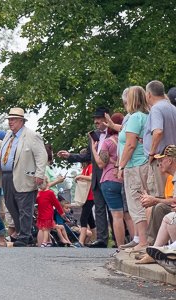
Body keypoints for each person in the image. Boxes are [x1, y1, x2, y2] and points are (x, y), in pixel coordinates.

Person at [59, 107, 113, 248]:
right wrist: (70, 156)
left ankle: (121, 239)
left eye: (99, 119)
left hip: (110, 176)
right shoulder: (93, 135)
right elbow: (87, 156)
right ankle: (102, 239)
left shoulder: (114, 133)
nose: (96, 122)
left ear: (107, 118)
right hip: (96, 178)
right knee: (100, 209)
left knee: (114, 210)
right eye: (95, 119)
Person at [0, 107, 48, 247]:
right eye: (9, 119)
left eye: (13, 120)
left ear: (21, 121)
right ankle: (25, 233)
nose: (10, 122)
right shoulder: (8, 135)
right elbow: (2, 147)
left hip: (24, 176)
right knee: (11, 205)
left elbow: (41, 155)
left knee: (24, 207)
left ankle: (24, 235)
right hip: (7, 176)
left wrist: (40, 174)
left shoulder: (31, 135)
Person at [117, 86, 153, 253]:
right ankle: (144, 239)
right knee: (146, 201)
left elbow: (130, 144)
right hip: (145, 163)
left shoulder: (134, 118)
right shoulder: (147, 116)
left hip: (135, 165)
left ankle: (143, 241)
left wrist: (121, 165)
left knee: (136, 203)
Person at [93, 113, 132, 247]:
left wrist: (93, 149)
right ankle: (135, 242)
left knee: (117, 215)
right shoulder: (129, 140)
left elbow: (101, 163)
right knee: (128, 215)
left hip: (109, 179)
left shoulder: (108, 142)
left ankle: (120, 246)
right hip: (125, 178)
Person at [145, 81, 175, 189]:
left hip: (160, 160)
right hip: (172, 159)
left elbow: (158, 132)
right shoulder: (172, 108)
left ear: (149, 94)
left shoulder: (156, 108)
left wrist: (151, 153)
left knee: (160, 198)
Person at [35, 183, 68, 247]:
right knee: (43, 228)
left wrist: (61, 212)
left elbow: (56, 203)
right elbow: (36, 201)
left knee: (45, 228)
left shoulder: (50, 193)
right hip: (41, 213)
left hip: (48, 213)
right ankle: (48, 241)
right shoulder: (39, 193)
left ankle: (44, 242)